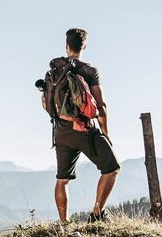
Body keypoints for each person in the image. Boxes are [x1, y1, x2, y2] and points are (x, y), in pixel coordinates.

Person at [42, 28, 120, 223]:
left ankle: (64, 223)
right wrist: (105, 132)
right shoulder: (89, 71)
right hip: (84, 131)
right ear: (84, 46)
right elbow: (100, 105)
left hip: (60, 131)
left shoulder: (53, 72)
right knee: (112, 168)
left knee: (62, 179)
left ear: (66, 46)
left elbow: (46, 103)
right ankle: (96, 213)